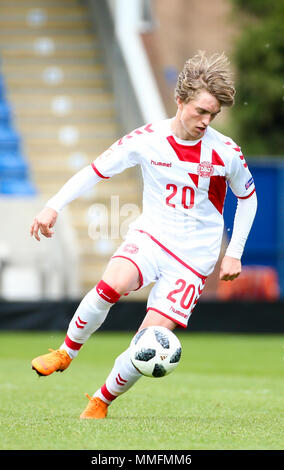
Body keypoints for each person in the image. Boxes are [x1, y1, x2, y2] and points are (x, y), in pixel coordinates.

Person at [30, 51, 257, 419]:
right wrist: (53, 205)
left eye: (213, 115)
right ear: (180, 100)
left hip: (193, 259)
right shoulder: (146, 139)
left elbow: (248, 199)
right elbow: (94, 171)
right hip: (152, 236)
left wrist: (235, 252)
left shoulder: (225, 151)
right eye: (201, 111)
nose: (206, 121)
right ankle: (65, 353)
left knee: (147, 343)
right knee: (111, 284)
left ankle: (100, 401)